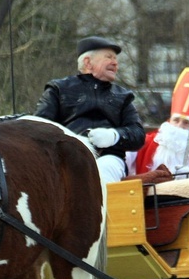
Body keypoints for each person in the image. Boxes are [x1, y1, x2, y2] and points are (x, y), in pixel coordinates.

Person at [35, 36, 145, 183]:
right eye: (109, 57)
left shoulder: (123, 96)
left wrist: (114, 136)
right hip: (67, 158)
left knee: (103, 170)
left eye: (116, 59)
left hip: (109, 158)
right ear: (88, 62)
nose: (115, 63)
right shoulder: (59, 89)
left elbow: (138, 134)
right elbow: (39, 127)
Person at [128, 68, 189, 176]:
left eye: (186, 123)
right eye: (176, 120)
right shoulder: (146, 143)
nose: (179, 127)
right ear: (169, 121)